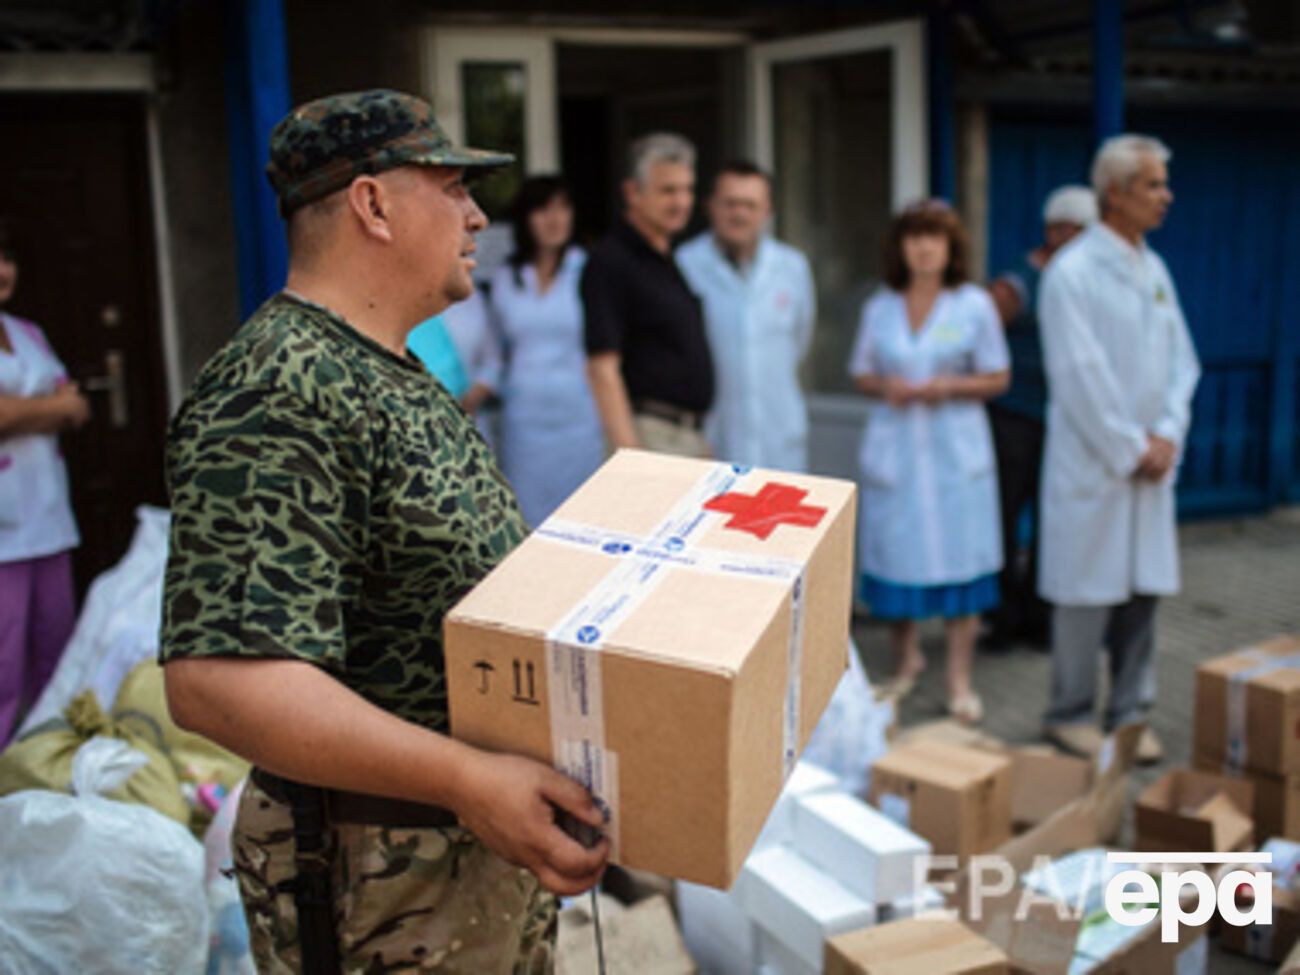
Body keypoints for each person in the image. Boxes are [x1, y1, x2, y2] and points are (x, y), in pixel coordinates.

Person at [159, 90, 608, 972]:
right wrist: (471, 780)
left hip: (462, 866)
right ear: (372, 204)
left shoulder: (389, 369)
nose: (478, 215)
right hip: (382, 886)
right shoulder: (280, 387)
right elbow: (219, 681)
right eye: (452, 186)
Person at [1038, 135, 1200, 763]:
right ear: (1115, 193)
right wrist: (1132, 446)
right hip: (1098, 463)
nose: (1166, 196)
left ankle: (1131, 712)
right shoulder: (1072, 273)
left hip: (1148, 462)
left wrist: (1168, 434)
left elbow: (1183, 361)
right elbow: (1079, 373)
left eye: (1163, 183)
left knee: (1141, 592)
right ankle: (1068, 711)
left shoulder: (1152, 268)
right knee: (1085, 593)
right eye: (1154, 184)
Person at [849, 200, 1010, 724]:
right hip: (897, 451)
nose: (923, 248)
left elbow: (997, 377)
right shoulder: (880, 307)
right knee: (897, 560)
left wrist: (948, 386)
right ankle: (905, 663)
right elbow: (861, 373)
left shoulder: (974, 306)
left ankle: (958, 680)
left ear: (950, 249)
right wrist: (886, 386)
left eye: (934, 238)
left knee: (962, 561)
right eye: (914, 237)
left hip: (953, 453)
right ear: (900, 247)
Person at [982, 185, 1098, 653]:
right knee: (1006, 518)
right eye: (1079, 232)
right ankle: (1003, 618)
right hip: (1015, 418)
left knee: (1055, 520)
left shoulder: (1085, 279)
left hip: (1063, 420)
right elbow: (980, 336)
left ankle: (1041, 617)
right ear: (1056, 230)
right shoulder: (1018, 283)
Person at [0, 225, 90, 745]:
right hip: (5, 533)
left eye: (8, 257)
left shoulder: (29, 332)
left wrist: (34, 411)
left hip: (49, 521)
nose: (3, 270)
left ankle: (41, 764)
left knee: (54, 657)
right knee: (3, 667)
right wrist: (50, 408)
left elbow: (75, 407)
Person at [677, 161, 816, 471]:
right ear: (710, 206)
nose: (739, 214)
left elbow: (800, 339)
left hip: (778, 433)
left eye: (750, 205)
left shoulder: (792, 267)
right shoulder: (685, 265)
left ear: (768, 210)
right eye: (730, 204)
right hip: (711, 437)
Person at [582, 132, 714, 458]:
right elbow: (602, 368)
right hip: (650, 438)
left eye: (687, 189)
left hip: (688, 435)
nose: (682, 202)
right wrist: (633, 456)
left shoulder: (668, 260)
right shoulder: (611, 261)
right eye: (668, 190)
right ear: (633, 192)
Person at [489, 176, 604, 526]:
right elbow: (496, 352)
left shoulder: (590, 269)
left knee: (584, 520)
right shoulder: (506, 277)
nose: (554, 220)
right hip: (524, 422)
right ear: (526, 217)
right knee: (527, 524)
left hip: (580, 418)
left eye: (562, 209)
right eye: (543, 210)